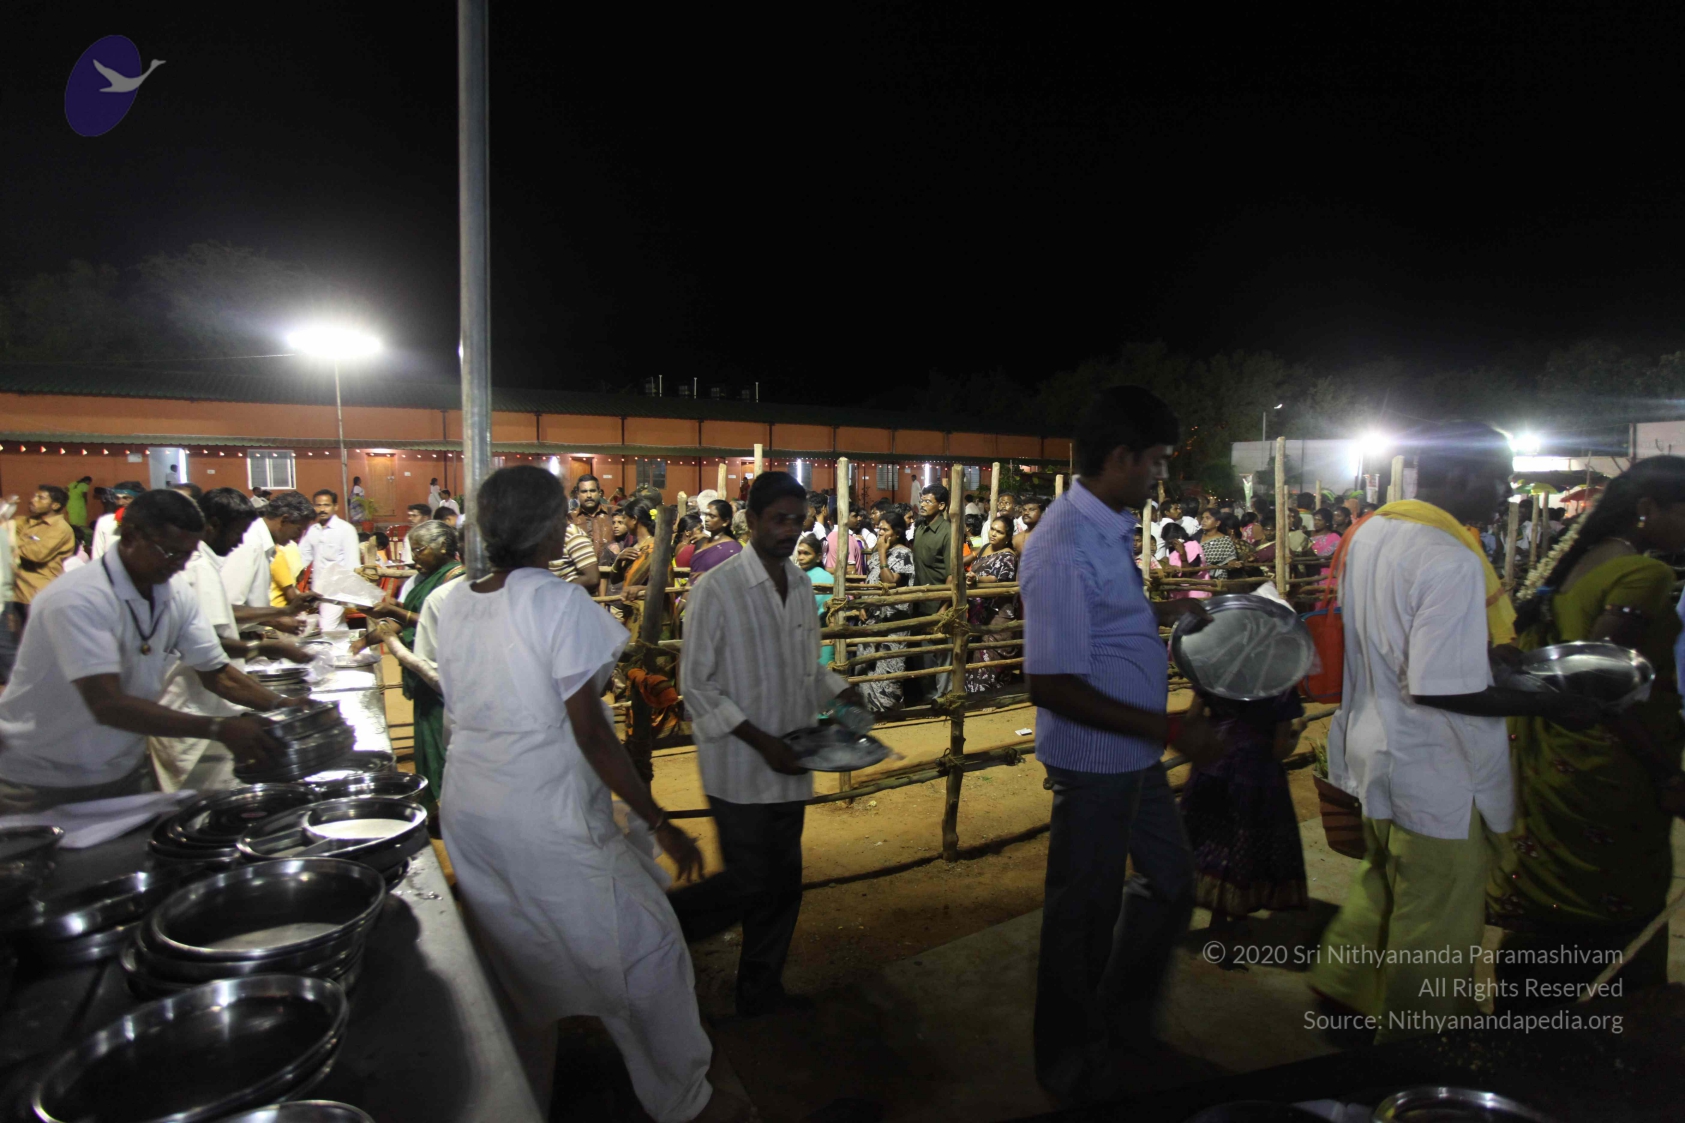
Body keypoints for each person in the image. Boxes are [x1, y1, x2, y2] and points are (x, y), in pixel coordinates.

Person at [432, 466, 746, 1123]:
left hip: (473, 806)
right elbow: (593, 735)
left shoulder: (455, 600)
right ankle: (684, 1097)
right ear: (549, 526)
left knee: (518, 952)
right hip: (543, 807)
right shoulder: (558, 602)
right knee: (647, 949)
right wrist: (660, 821)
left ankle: (523, 1094)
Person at [1309, 421, 1604, 1041]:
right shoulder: (1450, 557)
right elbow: (1440, 686)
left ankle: (1343, 987)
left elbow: (1404, 641)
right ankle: (1419, 1043)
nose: (1506, 494)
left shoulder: (1375, 530)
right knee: (1437, 918)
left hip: (1375, 750)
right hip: (1435, 767)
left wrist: (1491, 661)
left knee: (1385, 880)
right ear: (1464, 474)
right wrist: (1554, 703)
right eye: (1500, 479)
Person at [1021, 386, 1221, 1102]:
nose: (1161, 476)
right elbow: (1051, 683)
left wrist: (1166, 608)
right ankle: (1066, 1062)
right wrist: (1172, 729)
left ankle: (1120, 1023)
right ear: (1120, 457)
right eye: (1157, 461)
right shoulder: (1061, 544)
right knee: (1081, 917)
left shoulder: (1106, 526)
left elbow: (1104, 619)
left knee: (1170, 883)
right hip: (1094, 763)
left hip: (1132, 756)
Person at [1486, 456, 1685, 1002]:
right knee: (1612, 893)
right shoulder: (1643, 574)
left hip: (1556, 755)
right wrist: (1665, 772)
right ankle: (1609, 1019)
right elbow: (1606, 686)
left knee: (1553, 889)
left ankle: (1528, 1008)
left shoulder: (1575, 565)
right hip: (1610, 767)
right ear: (1647, 509)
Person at [672, 471, 861, 1017]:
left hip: (792, 761)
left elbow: (808, 668)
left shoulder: (801, 586)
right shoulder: (717, 589)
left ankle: (760, 991)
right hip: (738, 768)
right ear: (751, 520)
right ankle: (659, 928)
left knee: (782, 885)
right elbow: (696, 685)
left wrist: (840, 691)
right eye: (778, 519)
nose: (788, 530)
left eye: (796, 521)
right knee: (751, 882)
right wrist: (761, 742)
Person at [0, 490, 299, 813]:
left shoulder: (174, 591)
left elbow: (216, 671)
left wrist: (285, 706)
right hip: (41, 778)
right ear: (130, 536)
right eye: (169, 552)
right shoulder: (78, 598)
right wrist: (217, 728)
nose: (178, 564)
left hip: (121, 768)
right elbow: (107, 704)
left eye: (186, 554)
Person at [148, 488, 315, 791]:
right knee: (196, 798)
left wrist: (277, 620)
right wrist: (280, 699)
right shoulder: (200, 566)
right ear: (212, 525)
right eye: (237, 533)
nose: (239, 541)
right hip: (189, 709)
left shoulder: (205, 563)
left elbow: (214, 629)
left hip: (204, 704)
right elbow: (210, 655)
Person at [1180, 689, 1308, 946]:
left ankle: (1210, 916)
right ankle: (1234, 919)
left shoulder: (1217, 675)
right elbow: (1280, 750)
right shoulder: (1279, 686)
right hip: (1254, 777)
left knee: (1210, 844)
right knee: (1244, 849)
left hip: (1211, 768)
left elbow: (1192, 719)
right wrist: (1297, 731)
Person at [363, 520, 466, 813]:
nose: (415, 558)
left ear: (443, 547)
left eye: (420, 550)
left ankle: (449, 808)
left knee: (443, 743)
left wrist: (395, 611)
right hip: (422, 673)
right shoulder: (424, 580)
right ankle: (432, 804)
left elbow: (437, 622)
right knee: (427, 741)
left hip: (442, 674)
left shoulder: (455, 579)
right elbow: (405, 618)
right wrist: (366, 638)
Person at [857, 506, 917, 712]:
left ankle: (889, 712)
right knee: (867, 666)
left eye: (885, 530)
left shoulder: (904, 554)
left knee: (888, 669)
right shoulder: (876, 554)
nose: (880, 533)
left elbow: (889, 581)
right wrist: (863, 604)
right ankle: (870, 712)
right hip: (871, 619)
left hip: (892, 623)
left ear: (897, 533)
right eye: (879, 529)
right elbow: (870, 581)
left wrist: (882, 554)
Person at [10, 486, 76, 631]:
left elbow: (37, 553)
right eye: (34, 496)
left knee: (39, 640)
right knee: (15, 641)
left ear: (55, 505)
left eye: (41, 498)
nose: (33, 500)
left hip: (37, 595)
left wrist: (11, 541)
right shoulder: (25, 522)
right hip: (17, 594)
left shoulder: (60, 528)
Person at [965, 516, 1019, 693]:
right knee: (975, 656)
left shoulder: (1008, 556)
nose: (994, 534)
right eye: (992, 529)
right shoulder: (984, 548)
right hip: (977, 612)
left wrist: (978, 579)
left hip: (996, 613)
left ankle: (992, 696)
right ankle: (975, 696)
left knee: (991, 656)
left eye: (999, 532)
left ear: (1007, 536)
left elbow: (997, 580)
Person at [911, 482, 953, 697]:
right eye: (922, 500)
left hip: (938, 605)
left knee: (941, 655)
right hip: (920, 604)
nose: (923, 504)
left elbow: (952, 575)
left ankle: (944, 699)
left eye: (928, 501)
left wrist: (943, 608)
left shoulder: (948, 532)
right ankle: (929, 700)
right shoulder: (920, 527)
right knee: (924, 657)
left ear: (942, 505)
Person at [299, 490, 361, 631]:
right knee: (338, 627)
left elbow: (352, 563)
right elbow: (302, 556)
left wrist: (349, 592)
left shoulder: (346, 529)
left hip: (337, 589)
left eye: (326, 505)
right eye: (318, 505)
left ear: (335, 506)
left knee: (327, 626)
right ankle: (347, 645)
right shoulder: (312, 530)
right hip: (318, 589)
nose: (322, 509)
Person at [689, 500, 744, 582]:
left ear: (725, 522)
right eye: (707, 515)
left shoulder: (733, 548)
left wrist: (711, 576)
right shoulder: (701, 542)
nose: (707, 519)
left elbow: (737, 577)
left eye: (712, 516)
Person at [572, 474, 617, 567]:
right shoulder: (570, 518)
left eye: (592, 491)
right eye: (584, 491)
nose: (589, 495)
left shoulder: (614, 513)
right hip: (581, 573)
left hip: (611, 572)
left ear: (599, 492)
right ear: (577, 494)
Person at [90, 481, 143, 559]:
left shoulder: (148, 523)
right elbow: (97, 556)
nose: (120, 502)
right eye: (117, 498)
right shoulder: (105, 522)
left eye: (126, 498)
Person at [547, 519, 602, 589]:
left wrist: (557, 589)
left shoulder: (572, 535)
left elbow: (592, 579)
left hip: (567, 594)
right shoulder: (547, 535)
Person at [1196, 510, 1241, 581]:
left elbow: (1231, 559)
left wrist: (1233, 563)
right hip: (1197, 577)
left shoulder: (1225, 540)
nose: (1203, 521)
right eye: (1202, 518)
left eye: (1208, 518)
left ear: (1217, 523)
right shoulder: (1196, 538)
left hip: (1217, 580)